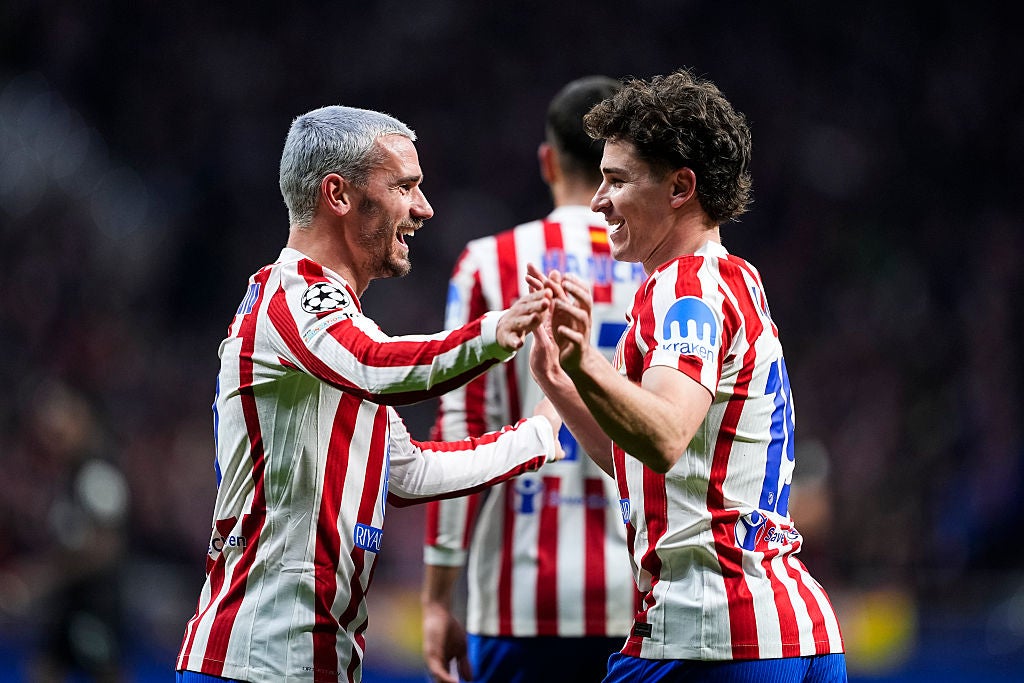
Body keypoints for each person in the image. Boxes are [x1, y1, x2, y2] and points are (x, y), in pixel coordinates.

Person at [175, 105, 565, 683]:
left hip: (313, 663)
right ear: (338, 194)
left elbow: (405, 472)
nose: (423, 208)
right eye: (404, 187)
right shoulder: (293, 300)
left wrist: (540, 433)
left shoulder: (333, 334)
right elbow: (376, 365)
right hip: (258, 664)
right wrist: (495, 331)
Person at [528, 69, 848, 682]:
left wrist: (585, 358)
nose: (598, 200)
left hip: (709, 633)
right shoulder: (732, 277)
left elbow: (666, 434)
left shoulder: (686, 289)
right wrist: (563, 383)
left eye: (618, 180)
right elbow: (638, 455)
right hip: (789, 637)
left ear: (680, 187)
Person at [421, 76, 645, 683]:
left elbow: (459, 429)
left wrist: (438, 596)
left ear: (548, 161)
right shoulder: (662, 269)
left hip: (520, 596)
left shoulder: (488, 263)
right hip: (645, 594)